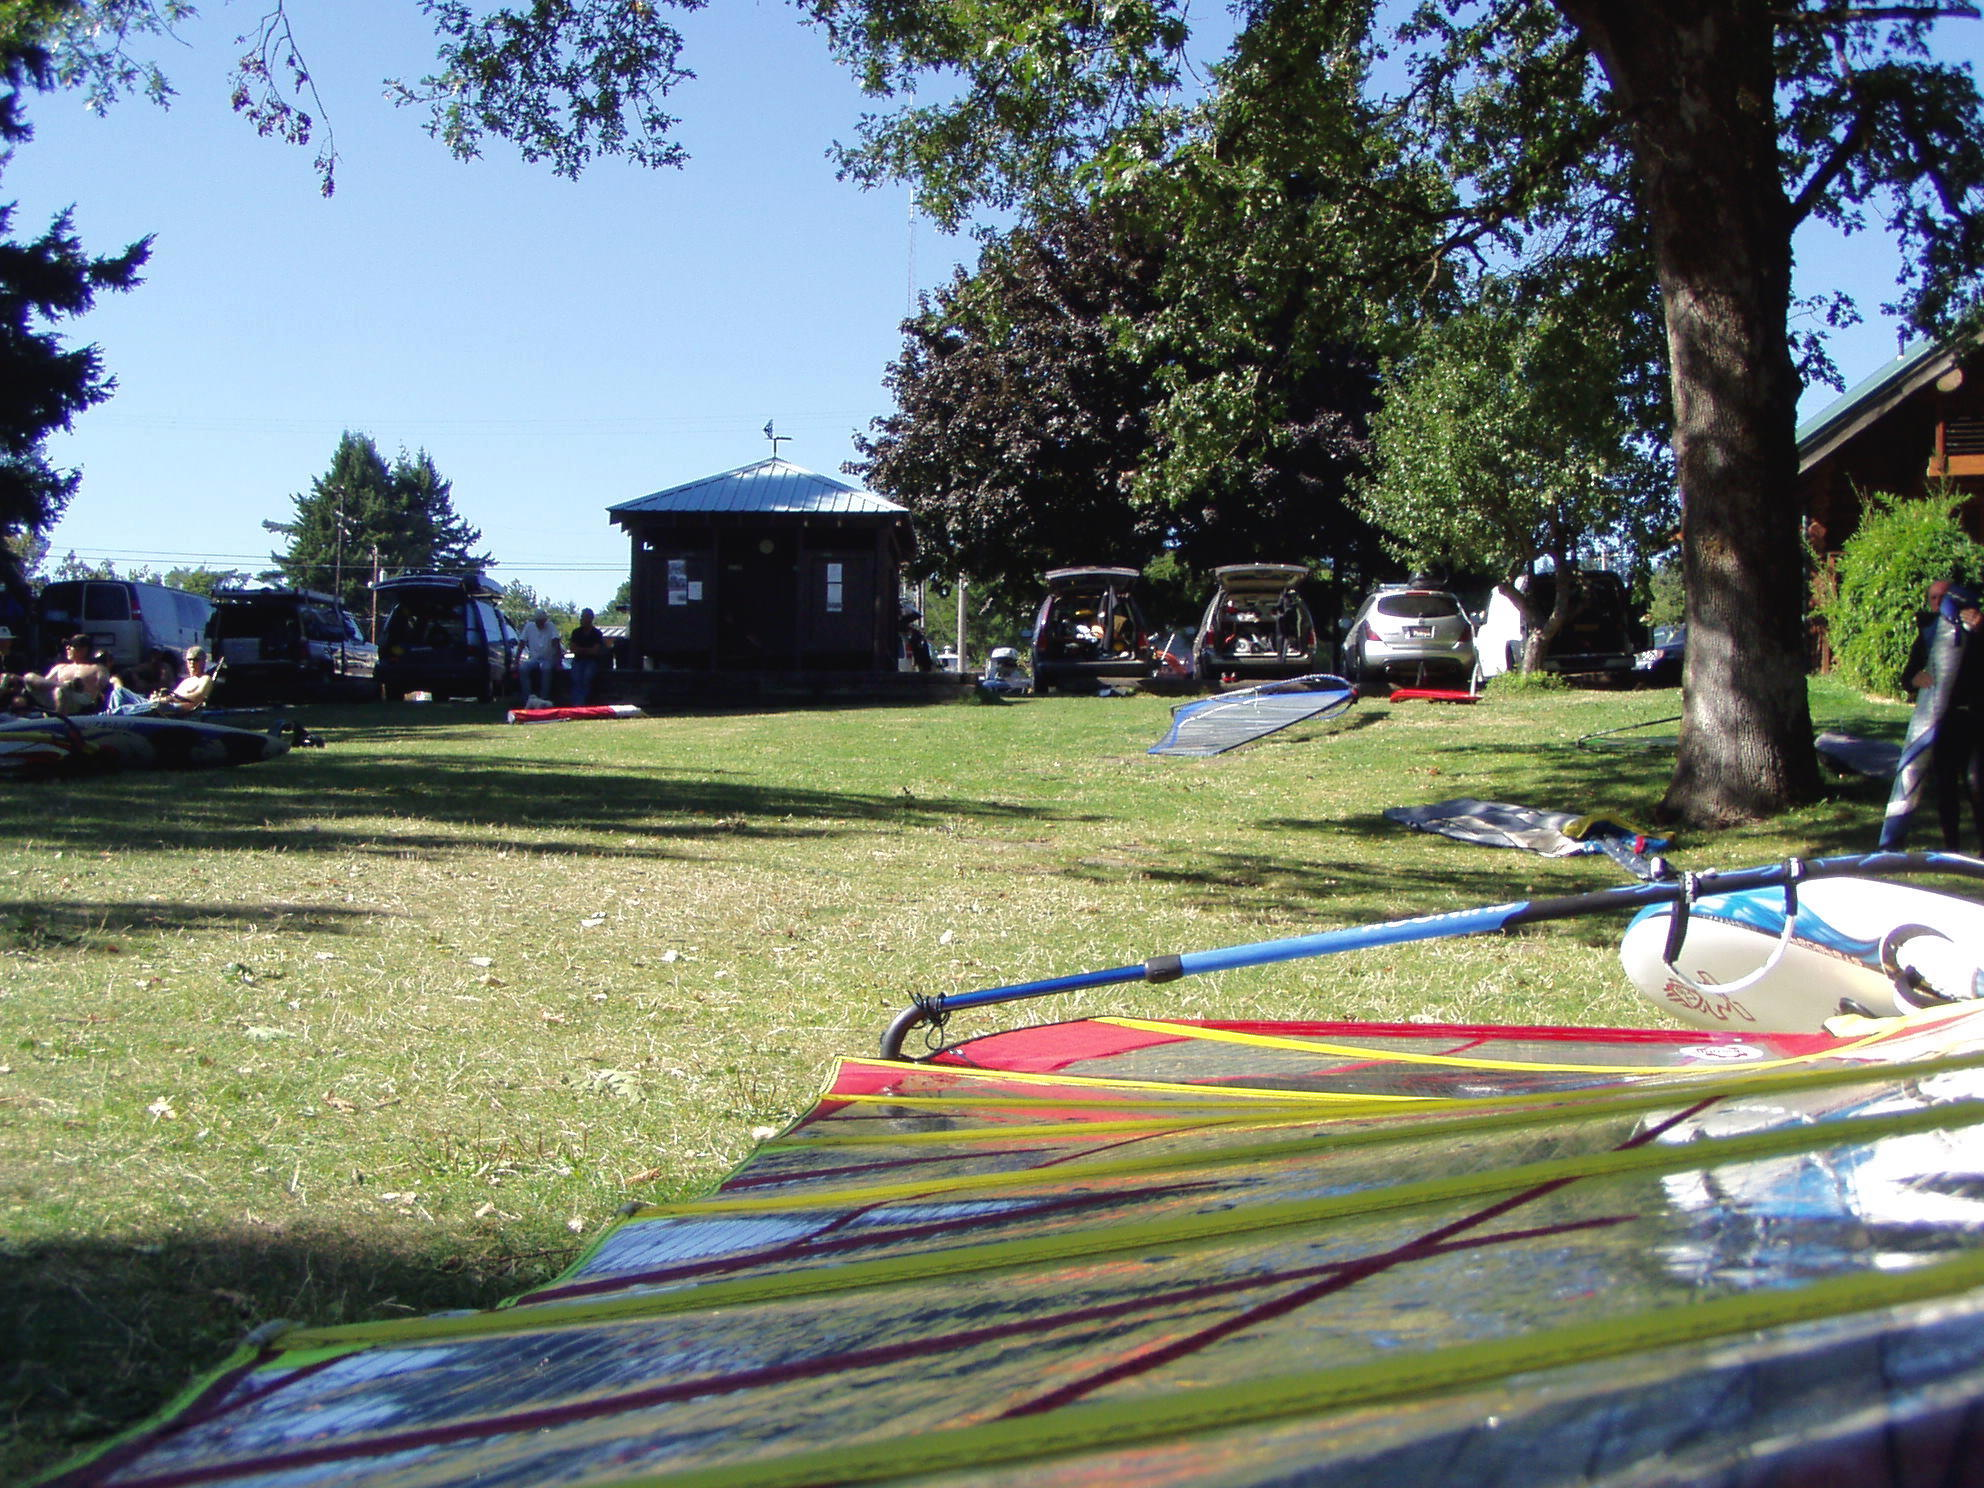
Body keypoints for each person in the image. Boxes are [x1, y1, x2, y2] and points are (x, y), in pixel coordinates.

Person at [28, 634, 113, 715]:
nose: (67, 648)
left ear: (84, 649)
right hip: (54, 696)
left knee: (62, 690)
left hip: (82, 700)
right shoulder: (60, 667)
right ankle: (65, 686)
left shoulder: (97, 668)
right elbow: (45, 683)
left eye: (72, 645)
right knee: (29, 677)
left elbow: (104, 687)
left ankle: (58, 721)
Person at [151, 646, 218, 714]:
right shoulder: (186, 681)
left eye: (196, 660)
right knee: (141, 698)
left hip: (184, 712)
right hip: (169, 706)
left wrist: (173, 699)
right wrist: (161, 697)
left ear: (203, 662)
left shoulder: (205, 679)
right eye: (189, 660)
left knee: (157, 706)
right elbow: (173, 696)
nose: (192, 663)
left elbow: (198, 697)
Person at [519, 609, 563, 702]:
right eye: (539, 621)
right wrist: (516, 660)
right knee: (523, 668)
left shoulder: (550, 626)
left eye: (542, 621)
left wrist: (559, 661)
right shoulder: (529, 626)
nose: (541, 623)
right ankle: (527, 698)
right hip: (534, 659)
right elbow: (522, 643)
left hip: (548, 658)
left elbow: (556, 643)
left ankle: (544, 698)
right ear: (535, 621)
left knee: (546, 668)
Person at [566, 607, 606, 706]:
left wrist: (581, 650)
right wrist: (587, 650)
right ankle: (575, 704)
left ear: (590, 618)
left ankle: (582, 703)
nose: (582, 619)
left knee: (587, 678)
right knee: (575, 679)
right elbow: (573, 649)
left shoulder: (597, 634)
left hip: (592, 662)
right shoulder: (576, 632)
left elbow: (595, 651)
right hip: (578, 661)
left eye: (584, 617)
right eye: (582, 617)